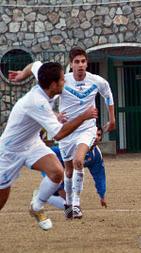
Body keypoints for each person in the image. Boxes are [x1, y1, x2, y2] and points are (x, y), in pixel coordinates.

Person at [12, 47, 115, 219]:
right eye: (76, 62)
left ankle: (75, 203)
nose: (80, 65)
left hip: (87, 128)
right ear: (71, 64)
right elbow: (44, 95)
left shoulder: (97, 81)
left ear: (87, 63)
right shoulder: (61, 81)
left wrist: (111, 119)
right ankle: (68, 205)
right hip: (67, 130)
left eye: (83, 61)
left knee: (78, 160)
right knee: (67, 171)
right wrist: (56, 115)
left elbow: (108, 94)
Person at [2, 62, 97, 230]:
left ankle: (36, 207)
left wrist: (21, 75)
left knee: (57, 172)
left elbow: (34, 64)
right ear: (53, 85)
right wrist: (83, 116)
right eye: (62, 80)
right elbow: (59, 134)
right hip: (9, 151)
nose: (64, 83)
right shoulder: (37, 101)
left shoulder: (44, 77)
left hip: (31, 143)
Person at [35, 127, 108, 209]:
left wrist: (102, 195)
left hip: (66, 174)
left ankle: (44, 195)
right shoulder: (71, 146)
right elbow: (49, 153)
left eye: (98, 135)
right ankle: (44, 195)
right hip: (53, 168)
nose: (96, 137)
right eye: (93, 134)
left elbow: (99, 175)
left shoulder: (96, 155)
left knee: (69, 201)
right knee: (67, 197)